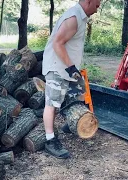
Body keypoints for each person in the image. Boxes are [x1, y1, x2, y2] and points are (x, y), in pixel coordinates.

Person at [42, 0, 101, 159]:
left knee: (79, 95)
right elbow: (57, 43)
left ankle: (72, 121)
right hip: (58, 67)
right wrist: (71, 68)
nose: (98, 8)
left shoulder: (80, 17)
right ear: (89, 1)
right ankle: (50, 140)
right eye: (97, 5)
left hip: (68, 67)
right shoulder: (73, 18)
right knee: (52, 104)